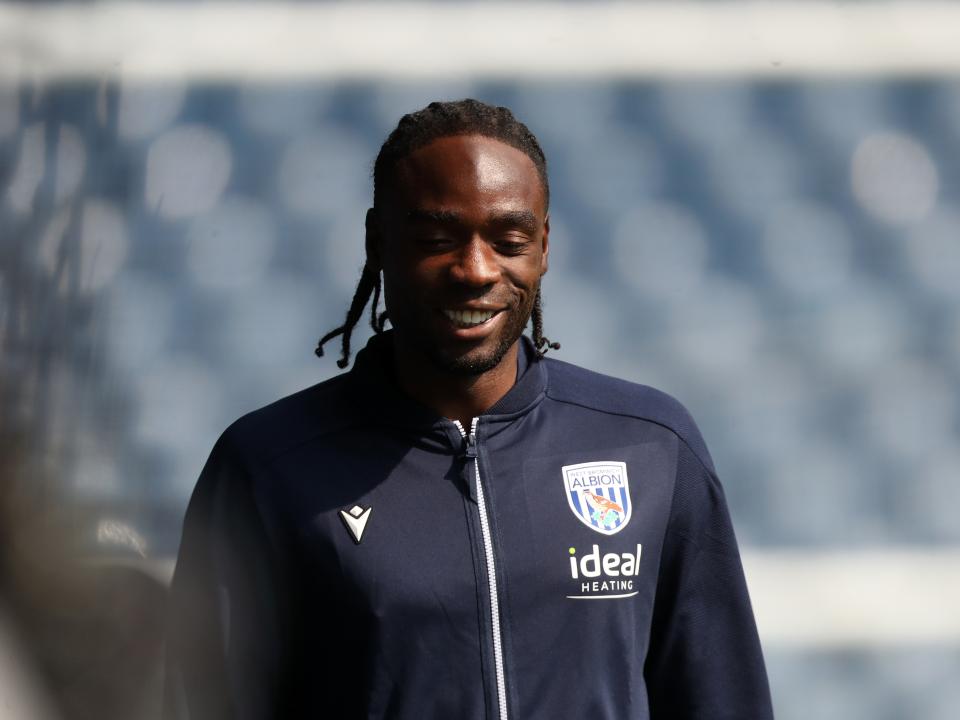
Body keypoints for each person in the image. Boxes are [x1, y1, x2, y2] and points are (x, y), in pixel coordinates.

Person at [165, 99, 774, 720]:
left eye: (508, 241)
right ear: (377, 242)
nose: (475, 270)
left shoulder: (650, 445)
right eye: (436, 240)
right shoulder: (266, 469)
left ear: (543, 246)